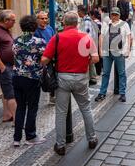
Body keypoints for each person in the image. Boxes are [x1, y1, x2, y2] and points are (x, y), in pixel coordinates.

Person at [42, 12, 99, 156]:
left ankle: (60, 145)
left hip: (63, 78)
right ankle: (92, 139)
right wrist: (85, 62)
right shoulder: (86, 37)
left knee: (61, 112)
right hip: (81, 77)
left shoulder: (57, 37)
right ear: (77, 23)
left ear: (64, 23)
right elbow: (96, 58)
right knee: (86, 108)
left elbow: (44, 60)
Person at [12, 15, 47, 147]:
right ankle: (30, 136)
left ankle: (16, 138)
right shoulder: (38, 41)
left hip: (17, 77)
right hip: (32, 78)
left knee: (20, 107)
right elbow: (46, 57)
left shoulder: (15, 41)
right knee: (32, 107)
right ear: (34, 26)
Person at [95, 7, 132, 103]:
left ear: (119, 15)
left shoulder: (124, 25)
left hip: (119, 52)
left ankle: (122, 93)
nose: (114, 16)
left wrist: (128, 50)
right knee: (105, 73)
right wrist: (100, 50)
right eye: (113, 14)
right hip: (107, 52)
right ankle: (102, 93)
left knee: (122, 73)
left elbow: (129, 37)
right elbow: (101, 36)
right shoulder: (106, 24)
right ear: (110, 15)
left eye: (116, 14)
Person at [78, 5, 99, 86]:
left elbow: (87, 35)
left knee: (87, 61)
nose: (77, 12)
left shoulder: (86, 21)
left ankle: (89, 78)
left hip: (87, 45)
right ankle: (93, 78)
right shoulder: (86, 20)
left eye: (78, 11)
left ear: (81, 12)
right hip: (90, 44)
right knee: (90, 61)